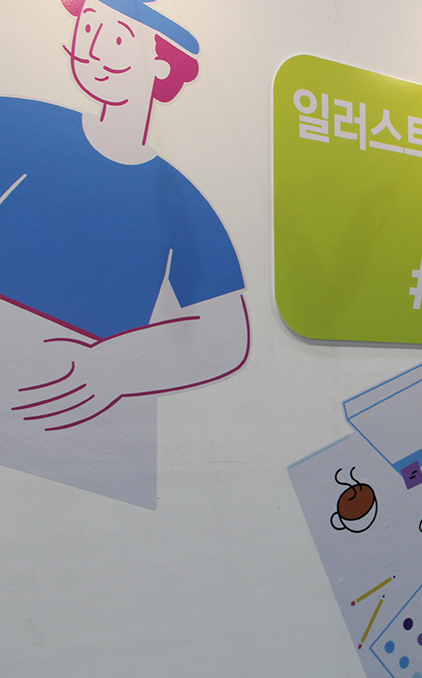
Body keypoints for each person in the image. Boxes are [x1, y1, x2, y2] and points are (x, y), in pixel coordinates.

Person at [0, 0, 248, 432]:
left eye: (117, 39)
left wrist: (112, 370)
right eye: (87, 28)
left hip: (76, 416)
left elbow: (227, 334)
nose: (93, 50)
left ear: (162, 66)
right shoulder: (22, 126)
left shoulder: (182, 202)